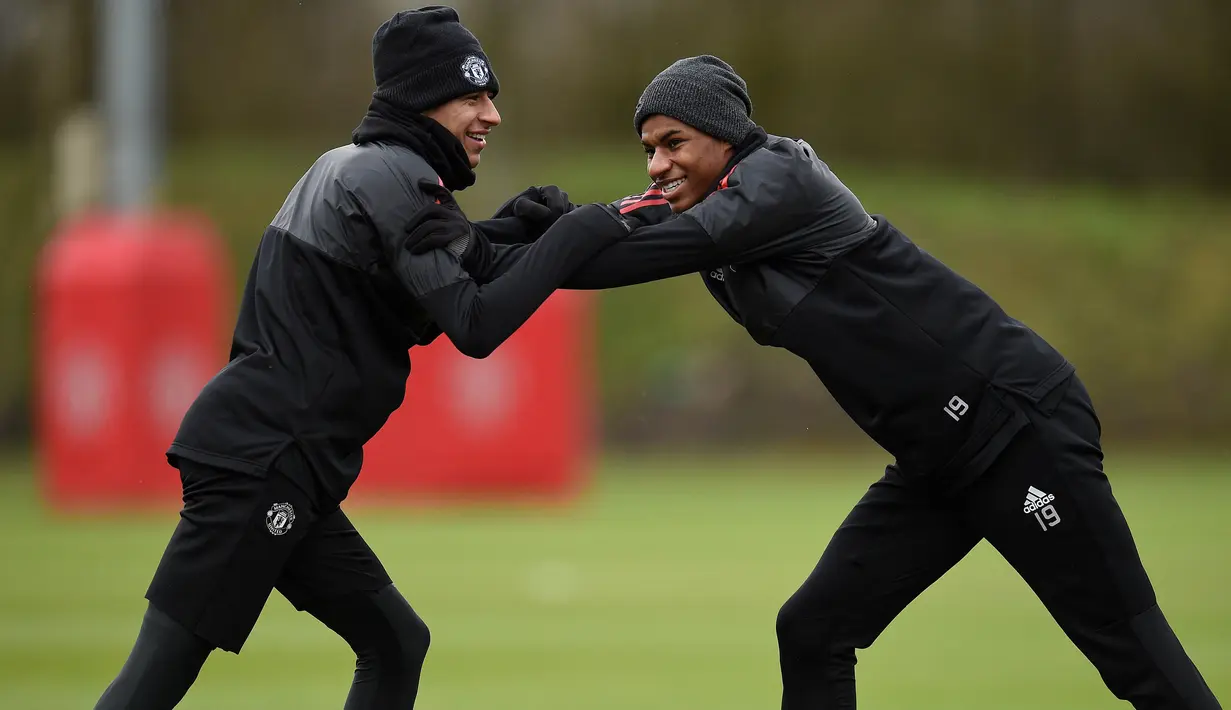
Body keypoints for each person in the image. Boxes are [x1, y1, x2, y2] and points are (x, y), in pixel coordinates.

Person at [411, 55, 1223, 709]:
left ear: (725, 138)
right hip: (936, 461)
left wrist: (566, 232)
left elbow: (632, 251)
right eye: (647, 150)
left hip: (1016, 424)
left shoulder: (779, 182)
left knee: (1130, 656)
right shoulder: (708, 201)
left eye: (672, 143)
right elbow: (602, 248)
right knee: (813, 630)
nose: (657, 165)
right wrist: (478, 241)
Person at [91, 7, 626, 709]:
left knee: (396, 643)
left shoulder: (362, 170)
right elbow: (472, 320)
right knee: (155, 678)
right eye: (472, 96)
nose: (491, 115)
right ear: (421, 101)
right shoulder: (392, 182)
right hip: (265, 461)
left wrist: (511, 225)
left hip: (279, 461)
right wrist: (579, 231)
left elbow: (438, 270)